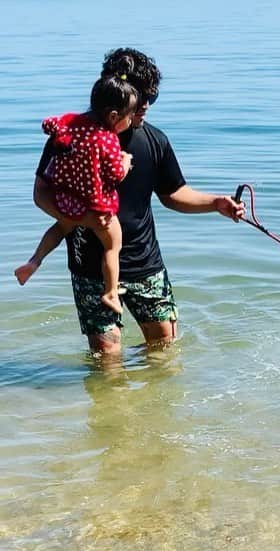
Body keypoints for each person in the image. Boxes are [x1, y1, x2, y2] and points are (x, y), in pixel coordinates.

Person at [33, 48, 244, 355]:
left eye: (151, 98)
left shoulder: (154, 140)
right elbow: (42, 194)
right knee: (107, 364)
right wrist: (83, 219)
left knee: (164, 353)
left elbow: (173, 193)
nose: (145, 106)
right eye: (140, 97)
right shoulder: (70, 139)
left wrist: (215, 203)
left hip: (146, 263)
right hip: (91, 268)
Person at [16, 76, 137, 313]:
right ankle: (111, 292)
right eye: (129, 116)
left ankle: (33, 261)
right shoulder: (107, 139)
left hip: (66, 201)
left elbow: (51, 125)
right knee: (113, 245)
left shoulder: (68, 125)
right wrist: (126, 160)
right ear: (113, 116)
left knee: (61, 227)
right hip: (97, 206)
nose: (131, 121)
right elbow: (114, 175)